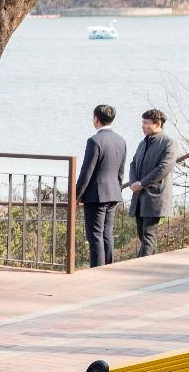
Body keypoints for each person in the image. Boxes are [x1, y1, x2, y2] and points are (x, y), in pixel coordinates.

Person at [75, 104, 127, 267]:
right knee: (107, 233)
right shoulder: (121, 140)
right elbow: (121, 171)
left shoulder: (94, 141)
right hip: (113, 194)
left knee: (95, 234)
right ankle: (109, 266)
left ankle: (97, 268)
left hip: (96, 195)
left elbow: (87, 171)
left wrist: (76, 196)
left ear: (96, 119)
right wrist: (117, 189)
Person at [127, 108, 177, 258]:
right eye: (142, 122)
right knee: (143, 234)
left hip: (155, 196)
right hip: (139, 196)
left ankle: (140, 267)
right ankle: (150, 263)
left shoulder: (169, 143)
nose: (143, 126)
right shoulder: (143, 143)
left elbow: (164, 168)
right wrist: (133, 183)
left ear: (157, 124)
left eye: (146, 123)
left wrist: (142, 183)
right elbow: (133, 164)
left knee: (149, 235)